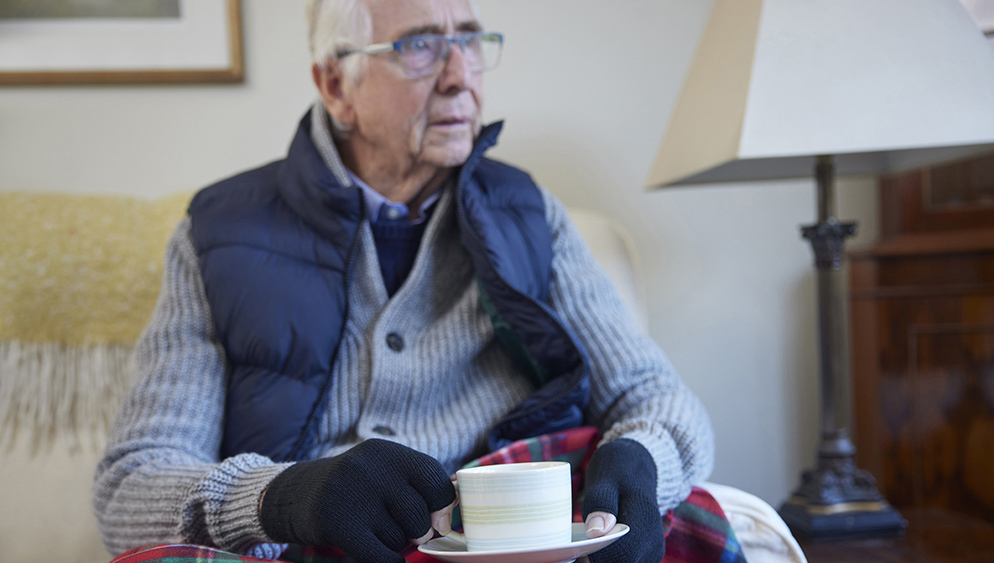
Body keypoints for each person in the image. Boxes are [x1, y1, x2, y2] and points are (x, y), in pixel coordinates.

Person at [92, 1, 718, 562]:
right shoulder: (218, 233)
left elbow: (657, 399)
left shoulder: (529, 214)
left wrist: (642, 460)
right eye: (418, 45)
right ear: (337, 84)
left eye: (469, 40)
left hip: (502, 549)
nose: (459, 76)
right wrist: (283, 496)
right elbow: (132, 487)